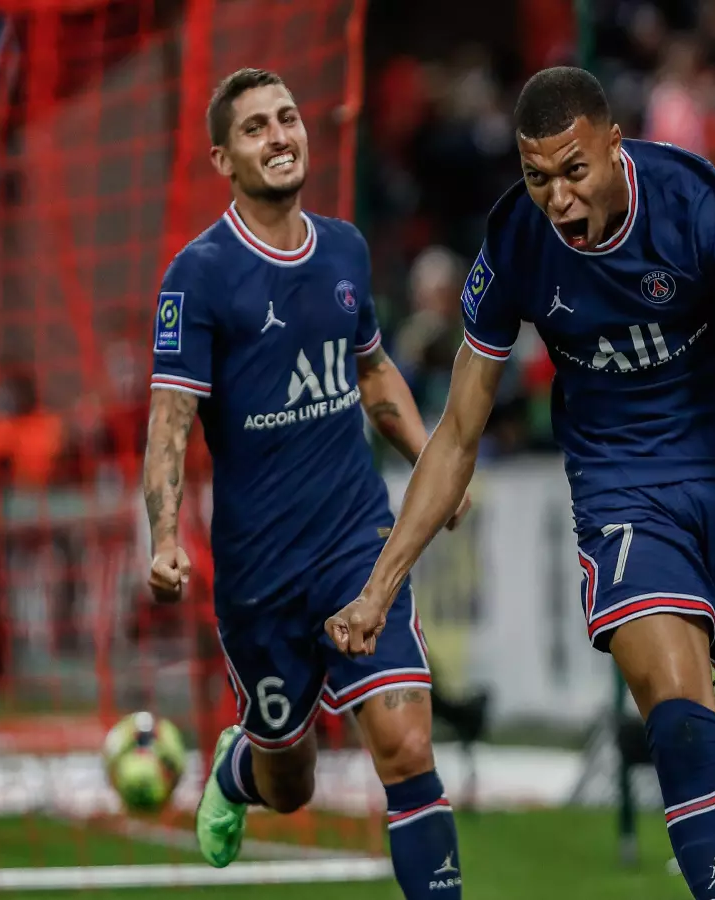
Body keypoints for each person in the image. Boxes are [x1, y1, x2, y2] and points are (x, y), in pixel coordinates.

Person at [327, 67, 715, 900]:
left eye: (574, 170)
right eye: (537, 177)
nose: (558, 198)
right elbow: (458, 436)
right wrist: (379, 588)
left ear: (615, 147)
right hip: (623, 489)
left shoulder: (697, 202)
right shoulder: (515, 241)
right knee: (680, 727)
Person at [142, 68, 469, 899]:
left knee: (405, 746)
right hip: (260, 576)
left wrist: (434, 464)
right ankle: (241, 767)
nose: (280, 135)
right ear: (224, 158)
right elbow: (171, 420)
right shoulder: (200, 273)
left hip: (358, 543)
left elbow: (374, 374)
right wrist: (163, 536)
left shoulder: (347, 249)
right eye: (255, 128)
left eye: (288, 117)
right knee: (294, 785)